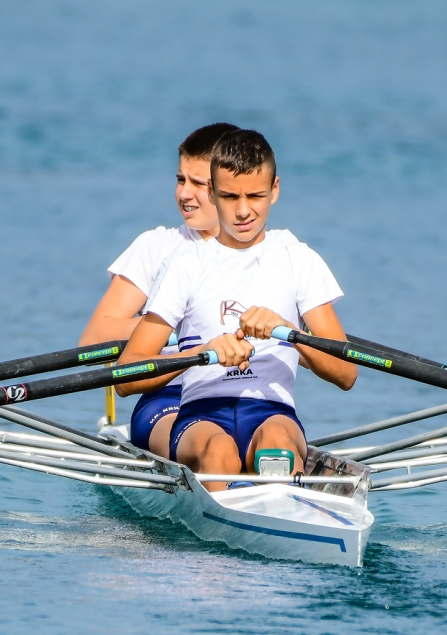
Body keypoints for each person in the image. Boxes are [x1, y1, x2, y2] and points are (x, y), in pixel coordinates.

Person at [115, 129, 357, 490]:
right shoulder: (184, 265)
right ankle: (226, 529)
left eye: (256, 196)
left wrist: (289, 331)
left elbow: (345, 372)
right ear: (211, 193)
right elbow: (126, 377)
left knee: (277, 442)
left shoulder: (298, 260)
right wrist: (201, 353)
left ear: (275, 190)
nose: (243, 210)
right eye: (229, 196)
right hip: (201, 417)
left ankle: (275, 514)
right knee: (219, 451)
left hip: (273, 412)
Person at [79, 122, 239, 456]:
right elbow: (94, 339)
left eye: (198, 183)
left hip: (247, 396)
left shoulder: (271, 254)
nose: (184, 193)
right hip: (168, 397)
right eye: (181, 180)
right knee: (209, 444)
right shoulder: (157, 246)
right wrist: (173, 322)